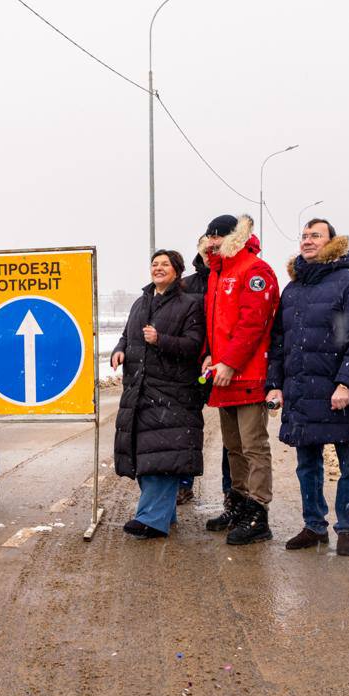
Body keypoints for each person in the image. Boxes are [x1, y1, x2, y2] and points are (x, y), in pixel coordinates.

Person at [266, 219, 349, 557]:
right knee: (307, 464)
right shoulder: (294, 288)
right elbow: (280, 341)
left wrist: (347, 382)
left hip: (339, 389)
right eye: (304, 235)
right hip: (301, 388)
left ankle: (346, 528)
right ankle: (314, 525)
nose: (307, 241)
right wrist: (275, 385)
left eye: (316, 235)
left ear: (333, 242)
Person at [199, 214, 281, 545]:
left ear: (235, 236)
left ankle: (258, 512)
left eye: (219, 236)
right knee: (233, 447)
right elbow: (213, 324)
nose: (213, 241)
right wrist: (209, 354)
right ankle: (238, 505)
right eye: (209, 236)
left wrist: (230, 363)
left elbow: (253, 324)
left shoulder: (254, 270)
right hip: (222, 376)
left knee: (253, 446)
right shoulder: (217, 273)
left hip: (247, 374)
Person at [111, 249, 205, 537]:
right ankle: (164, 513)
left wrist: (161, 339)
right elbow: (128, 335)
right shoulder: (141, 302)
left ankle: (151, 519)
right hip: (138, 390)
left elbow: (194, 344)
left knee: (162, 458)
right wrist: (119, 350)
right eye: (155, 264)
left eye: (165, 264)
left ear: (177, 271)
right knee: (145, 455)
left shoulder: (191, 304)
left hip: (172, 392)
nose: (158, 268)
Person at [178, 236, 231, 508]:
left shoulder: (233, 279)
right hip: (191, 365)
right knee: (186, 426)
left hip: (228, 364)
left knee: (232, 433)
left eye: (217, 247)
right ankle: (183, 483)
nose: (212, 252)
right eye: (207, 247)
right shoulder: (186, 285)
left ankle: (231, 492)